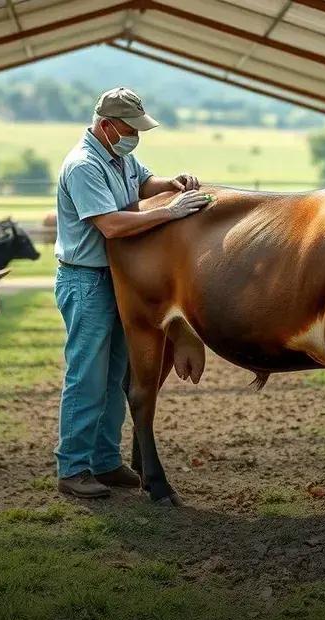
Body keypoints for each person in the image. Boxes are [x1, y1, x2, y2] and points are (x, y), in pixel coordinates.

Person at [54, 87, 210, 498]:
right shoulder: (84, 165)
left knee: (115, 376)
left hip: (119, 281)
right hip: (87, 280)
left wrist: (169, 183)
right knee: (87, 376)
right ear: (105, 126)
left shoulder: (118, 154)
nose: (134, 137)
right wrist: (169, 212)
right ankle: (72, 468)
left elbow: (143, 182)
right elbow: (111, 225)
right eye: (128, 130)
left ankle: (105, 462)